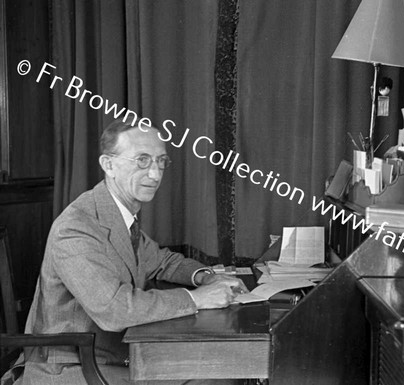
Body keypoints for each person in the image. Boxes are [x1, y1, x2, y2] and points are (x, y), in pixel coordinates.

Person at [6, 118, 247, 385]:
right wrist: (196, 299)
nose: (155, 175)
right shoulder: (76, 227)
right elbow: (115, 310)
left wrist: (205, 277)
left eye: (161, 161)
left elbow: (162, 262)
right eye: (142, 161)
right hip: (73, 368)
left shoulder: (119, 216)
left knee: (224, 367)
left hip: (114, 355)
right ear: (108, 165)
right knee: (216, 377)